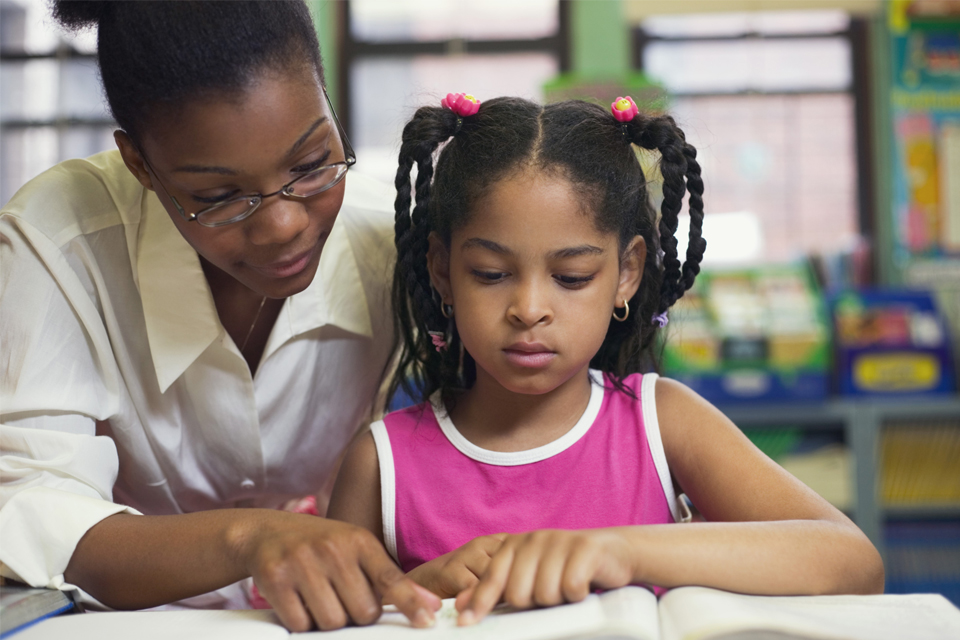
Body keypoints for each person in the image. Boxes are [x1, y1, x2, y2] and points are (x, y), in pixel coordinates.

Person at [327, 94, 885, 626]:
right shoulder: (380, 463)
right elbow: (332, 617)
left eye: (571, 278)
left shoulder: (664, 422)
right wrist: (420, 588)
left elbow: (853, 562)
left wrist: (620, 551)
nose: (529, 309)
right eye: (491, 274)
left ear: (626, 274)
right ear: (443, 270)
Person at [0, 1, 440, 631]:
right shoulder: (58, 243)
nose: (284, 225)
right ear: (140, 166)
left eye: (312, 164)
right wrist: (250, 539)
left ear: (330, 105)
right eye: (219, 197)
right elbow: (30, 509)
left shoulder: (387, 244)